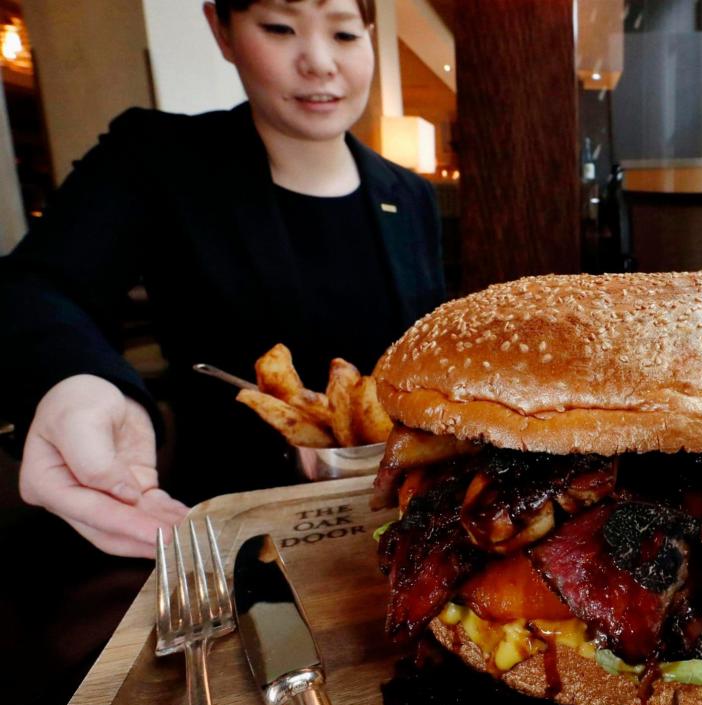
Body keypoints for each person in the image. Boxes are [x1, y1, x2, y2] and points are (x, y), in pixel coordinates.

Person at [0, 0, 446, 558]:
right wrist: (75, 380)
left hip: (397, 531)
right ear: (222, 30)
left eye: (344, 34)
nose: (320, 62)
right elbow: (34, 286)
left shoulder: (409, 195)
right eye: (280, 28)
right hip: (228, 536)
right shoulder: (156, 159)